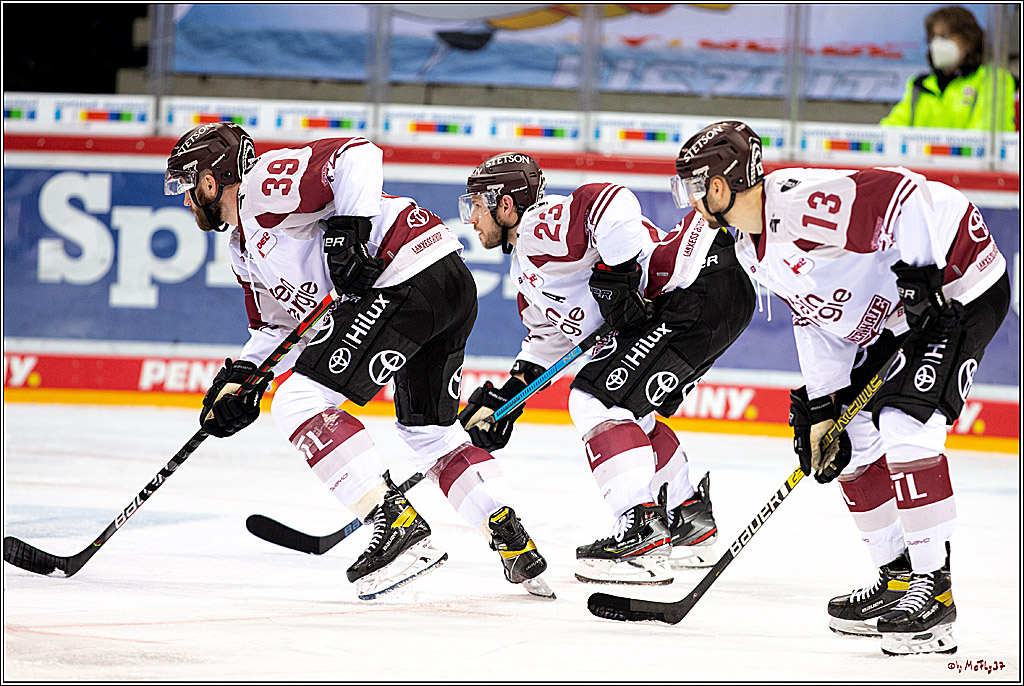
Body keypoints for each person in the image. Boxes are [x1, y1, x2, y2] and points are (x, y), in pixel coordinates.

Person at [163, 122, 553, 600]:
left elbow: (358, 154)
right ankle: (513, 541)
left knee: (297, 401)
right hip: (445, 283)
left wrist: (351, 228)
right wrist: (245, 376)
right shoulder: (243, 250)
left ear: (209, 181)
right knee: (429, 433)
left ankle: (396, 524)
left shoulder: (263, 187)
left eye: (186, 185)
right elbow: (276, 330)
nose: (185, 200)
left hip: (406, 277)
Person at [674, 120, 1009, 655]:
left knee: (905, 423)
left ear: (719, 186)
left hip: (957, 284)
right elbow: (814, 319)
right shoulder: (750, 250)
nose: (690, 200)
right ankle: (898, 579)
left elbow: (904, 194)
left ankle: (935, 593)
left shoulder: (801, 205)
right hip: (901, 315)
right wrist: (826, 402)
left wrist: (920, 278)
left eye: (693, 186)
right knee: (846, 443)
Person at [457, 152, 756, 585]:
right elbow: (548, 341)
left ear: (506, 205)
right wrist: (509, 396)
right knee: (630, 408)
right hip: (709, 294)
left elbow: (609, 201)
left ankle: (642, 535)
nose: (471, 219)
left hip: (696, 283)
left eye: (476, 207)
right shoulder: (529, 273)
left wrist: (617, 272)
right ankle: (688, 520)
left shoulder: (538, 227)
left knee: (596, 399)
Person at [881, 6, 1017, 131]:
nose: (936, 43)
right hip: (921, 157)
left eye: (944, 36)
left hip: (967, 156)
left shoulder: (993, 79)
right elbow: (893, 126)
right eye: (933, 36)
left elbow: (986, 130)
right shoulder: (920, 85)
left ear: (969, 41)